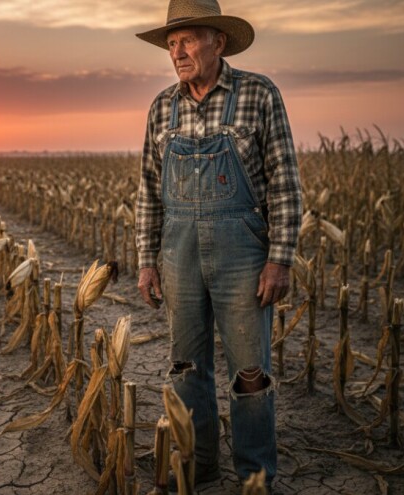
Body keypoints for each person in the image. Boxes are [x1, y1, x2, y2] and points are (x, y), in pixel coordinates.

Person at [134, 0, 302, 489]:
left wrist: (280, 258)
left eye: (187, 40)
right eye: (171, 44)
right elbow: (148, 188)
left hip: (243, 255)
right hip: (179, 252)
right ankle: (197, 465)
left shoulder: (258, 94)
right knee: (187, 369)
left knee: (250, 374)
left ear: (219, 41)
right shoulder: (162, 106)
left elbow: (285, 182)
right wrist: (147, 261)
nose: (177, 52)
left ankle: (254, 476)